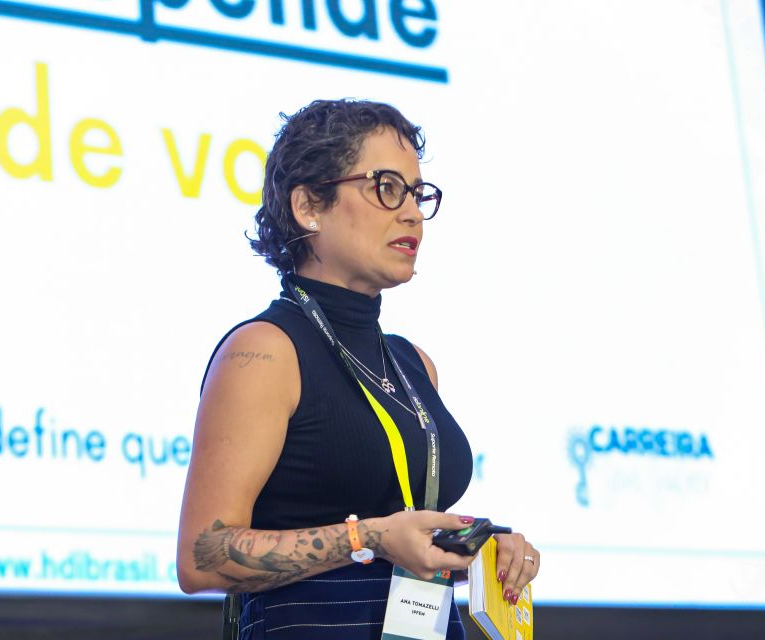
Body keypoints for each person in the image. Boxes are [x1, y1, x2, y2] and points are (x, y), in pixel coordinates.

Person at [177, 99, 539, 639]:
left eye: (417, 193)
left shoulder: (414, 364)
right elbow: (200, 557)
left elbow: (401, 535)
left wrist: (481, 550)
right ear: (309, 205)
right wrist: (368, 538)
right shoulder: (265, 352)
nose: (412, 213)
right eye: (386, 187)